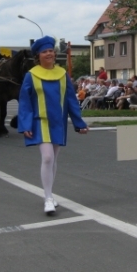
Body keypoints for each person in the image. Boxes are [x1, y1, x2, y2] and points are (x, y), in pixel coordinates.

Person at [18, 36, 88, 215]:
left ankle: (49, 193)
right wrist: (25, 124)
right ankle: (48, 198)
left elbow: (71, 101)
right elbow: (25, 102)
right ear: (38, 55)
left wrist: (79, 124)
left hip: (58, 123)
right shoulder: (31, 76)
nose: (49, 54)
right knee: (47, 157)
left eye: (51, 51)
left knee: (54, 159)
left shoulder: (63, 75)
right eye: (44, 51)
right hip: (39, 122)